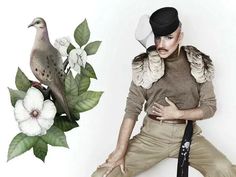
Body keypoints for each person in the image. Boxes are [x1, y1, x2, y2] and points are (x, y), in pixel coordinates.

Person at [91, 7, 236, 177]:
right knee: (104, 174)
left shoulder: (197, 63)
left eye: (169, 38)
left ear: (180, 37)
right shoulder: (145, 66)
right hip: (152, 138)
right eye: (157, 37)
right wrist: (120, 150)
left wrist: (179, 114)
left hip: (188, 137)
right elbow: (132, 108)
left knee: (225, 169)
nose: (161, 44)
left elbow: (210, 107)